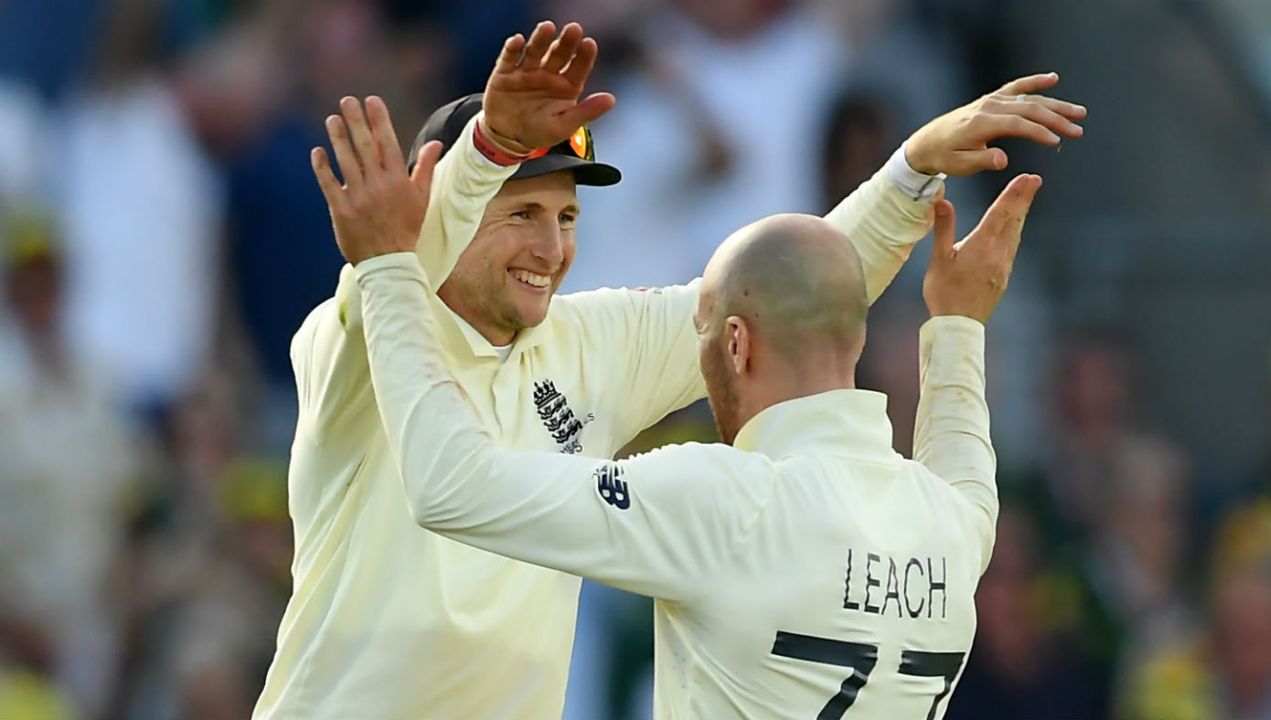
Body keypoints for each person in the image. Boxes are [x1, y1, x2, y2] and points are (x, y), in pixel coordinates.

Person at [258, 17, 1086, 718]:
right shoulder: (358, 335)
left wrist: (910, 173)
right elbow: (401, 268)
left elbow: (790, 296)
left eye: (567, 215)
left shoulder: (587, 344)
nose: (551, 249)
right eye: (520, 214)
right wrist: (484, 151)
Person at [342, 167, 1043, 717]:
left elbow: (447, 487)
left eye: (701, 334)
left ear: (735, 344)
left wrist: (388, 269)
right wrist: (957, 323)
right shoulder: (955, 527)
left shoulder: (726, 502)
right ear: (854, 340)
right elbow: (962, 456)